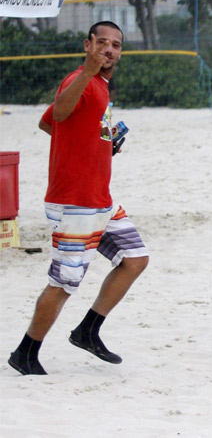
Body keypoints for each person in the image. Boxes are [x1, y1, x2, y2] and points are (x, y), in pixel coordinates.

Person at [8, 21, 149, 375]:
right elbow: (58, 113)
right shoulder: (80, 80)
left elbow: (49, 123)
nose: (109, 49)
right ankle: (26, 352)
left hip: (100, 199)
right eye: (102, 42)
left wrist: (99, 141)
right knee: (65, 282)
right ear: (87, 45)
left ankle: (88, 330)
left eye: (116, 45)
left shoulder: (99, 85)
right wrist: (86, 74)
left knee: (135, 258)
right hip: (75, 203)